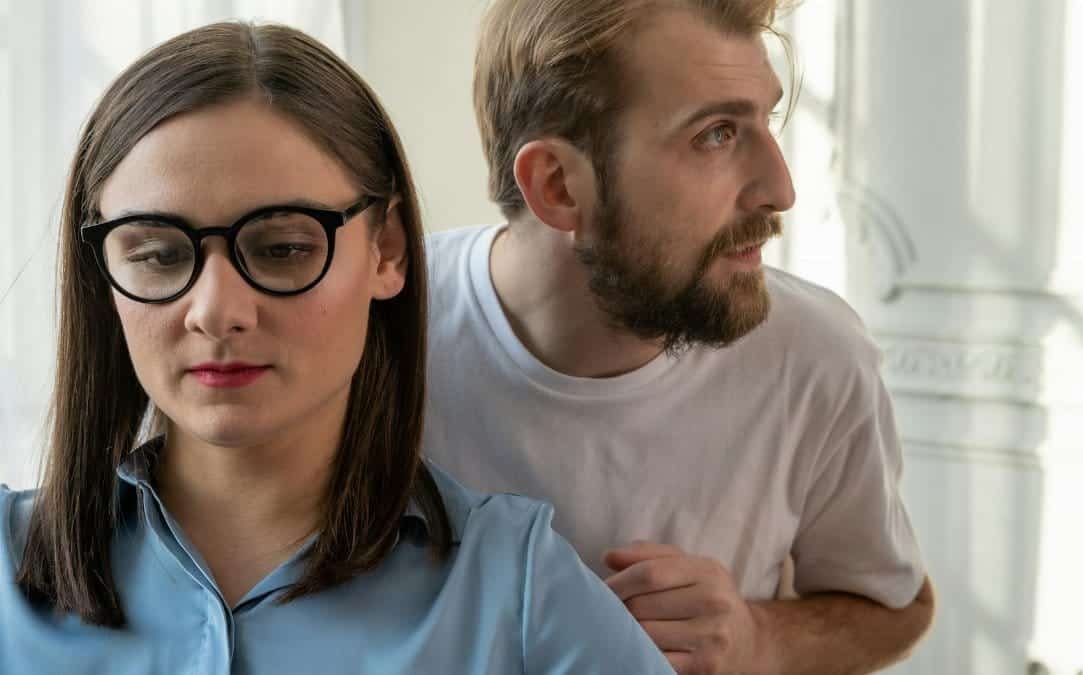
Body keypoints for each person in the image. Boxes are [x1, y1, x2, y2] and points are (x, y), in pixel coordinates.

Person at [0, 21, 674, 675]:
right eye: (156, 254)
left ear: (387, 249)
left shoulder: (516, 587)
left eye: (283, 248)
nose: (216, 312)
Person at [422, 1, 936, 673]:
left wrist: (758, 636)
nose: (779, 188)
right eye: (716, 134)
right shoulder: (381, 338)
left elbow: (896, 606)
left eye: (765, 119)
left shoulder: (816, 356)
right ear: (557, 185)